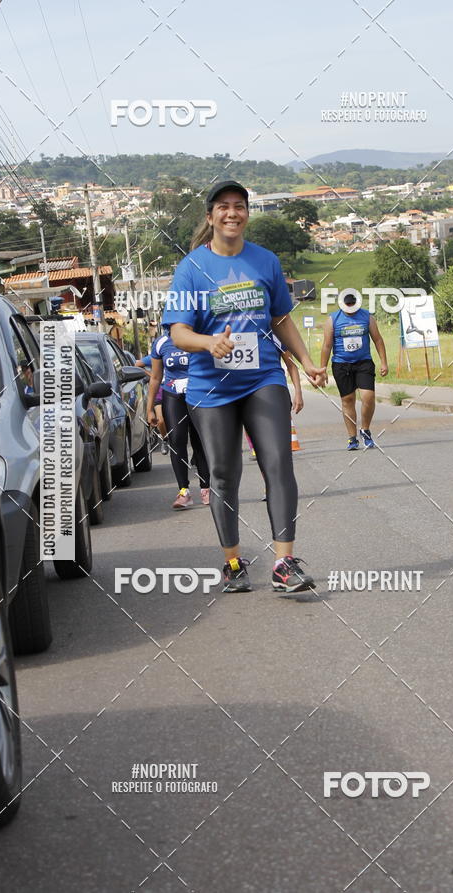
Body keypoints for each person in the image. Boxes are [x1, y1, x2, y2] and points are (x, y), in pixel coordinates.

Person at [162, 179, 326, 594]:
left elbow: (281, 319)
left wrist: (306, 362)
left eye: (239, 206)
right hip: (210, 386)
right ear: (210, 216)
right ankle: (233, 563)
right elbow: (178, 332)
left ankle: (284, 563)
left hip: (262, 378)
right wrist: (207, 341)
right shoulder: (191, 268)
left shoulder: (265, 261)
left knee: (278, 463)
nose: (232, 213)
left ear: (247, 214)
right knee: (222, 474)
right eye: (223, 206)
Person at [146, 327, 211, 508]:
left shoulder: (198, 337)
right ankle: (184, 491)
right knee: (177, 440)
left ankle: (206, 488)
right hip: (173, 395)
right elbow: (155, 377)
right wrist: (149, 408)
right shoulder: (160, 343)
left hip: (198, 393)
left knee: (199, 440)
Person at [320, 292, 388, 450]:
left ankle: (365, 430)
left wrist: (383, 362)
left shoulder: (367, 317)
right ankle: (352, 438)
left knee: (368, 397)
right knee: (348, 400)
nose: (351, 309)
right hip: (341, 364)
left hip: (363, 362)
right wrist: (322, 370)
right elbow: (326, 346)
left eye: (353, 305)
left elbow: (377, 339)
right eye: (348, 306)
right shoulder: (332, 320)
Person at [136, 350, 168, 454]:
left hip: (176, 390)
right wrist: (151, 375)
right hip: (159, 391)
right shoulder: (156, 356)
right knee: (161, 420)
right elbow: (137, 365)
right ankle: (165, 440)